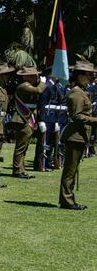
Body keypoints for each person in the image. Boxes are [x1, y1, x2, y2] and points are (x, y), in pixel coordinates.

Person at [60, 61, 96, 209]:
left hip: (80, 135)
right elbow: (76, 116)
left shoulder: (82, 91)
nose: (91, 78)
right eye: (88, 75)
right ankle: (67, 200)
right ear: (80, 76)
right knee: (70, 170)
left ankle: (68, 199)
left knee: (73, 169)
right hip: (75, 135)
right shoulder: (76, 93)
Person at [9, 65, 43, 178]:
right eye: (33, 75)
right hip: (22, 119)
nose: (36, 77)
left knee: (25, 145)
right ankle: (17, 170)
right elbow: (38, 91)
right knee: (21, 145)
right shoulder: (24, 86)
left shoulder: (29, 84)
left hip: (27, 117)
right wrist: (44, 82)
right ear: (27, 77)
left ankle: (21, 169)